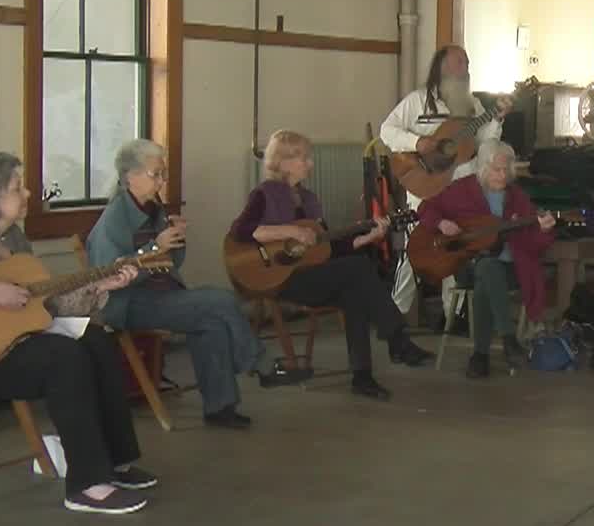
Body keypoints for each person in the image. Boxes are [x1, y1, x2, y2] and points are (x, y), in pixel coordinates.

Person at [0, 154, 158, 515]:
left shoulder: (14, 239)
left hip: (13, 342)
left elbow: (46, 304)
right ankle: (86, 484)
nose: (27, 193)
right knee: (64, 357)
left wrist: (99, 285)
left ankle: (115, 462)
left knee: (97, 340)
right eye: (16, 188)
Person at [230, 129, 430, 401]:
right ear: (284, 162)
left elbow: (330, 248)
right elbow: (241, 231)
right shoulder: (264, 194)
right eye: (303, 158)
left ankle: (363, 376)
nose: (310, 163)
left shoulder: (309, 200)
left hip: (312, 276)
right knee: (358, 270)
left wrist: (369, 237)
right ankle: (397, 340)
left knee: (354, 290)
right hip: (280, 278)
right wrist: (290, 231)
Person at [86, 139, 260, 429]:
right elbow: (110, 275)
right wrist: (155, 246)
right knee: (221, 299)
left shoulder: (153, 209)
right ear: (130, 176)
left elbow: (172, 264)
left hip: (163, 295)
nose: (162, 181)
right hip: (129, 303)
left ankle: (220, 407)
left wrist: (175, 239)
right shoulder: (113, 219)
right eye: (156, 174)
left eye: (163, 174)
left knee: (211, 323)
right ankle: (257, 362)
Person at [379, 44, 512, 317]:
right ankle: (394, 312)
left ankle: (454, 314)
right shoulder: (417, 101)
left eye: (467, 63)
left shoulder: (472, 105)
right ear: (442, 68)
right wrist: (417, 142)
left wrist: (497, 119)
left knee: (456, 246)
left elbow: (484, 143)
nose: (466, 69)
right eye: (460, 63)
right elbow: (387, 130)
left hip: (459, 187)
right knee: (417, 245)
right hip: (424, 185)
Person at [416, 140, 556, 379]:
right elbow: (425, 208)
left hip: (510, 270)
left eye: (506, 170)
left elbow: (535, 245)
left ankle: (480, 356)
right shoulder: (463, 190)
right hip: (465, 266)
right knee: (486, 268)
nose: (502, 175)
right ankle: (509, 339)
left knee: (487, 272)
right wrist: (441, 223)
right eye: (496, 169)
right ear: (482, 167)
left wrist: (543, 230)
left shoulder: (517, 197)